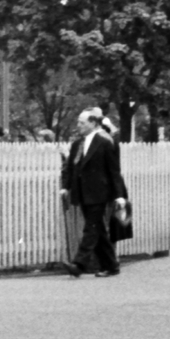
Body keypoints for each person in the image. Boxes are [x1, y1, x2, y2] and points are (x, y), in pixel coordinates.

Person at [60, 106, 129, 278]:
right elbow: (70, 168)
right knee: (97, 229)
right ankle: (111, 266)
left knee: (90, 228)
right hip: (82, 193)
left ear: (93, 123)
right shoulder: (77, 144)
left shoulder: (105, 142)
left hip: (99, 192)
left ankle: (79, 264)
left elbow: (114, 170)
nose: (78, 125)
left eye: (82, 122)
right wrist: (65, 187)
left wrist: (119, 195)